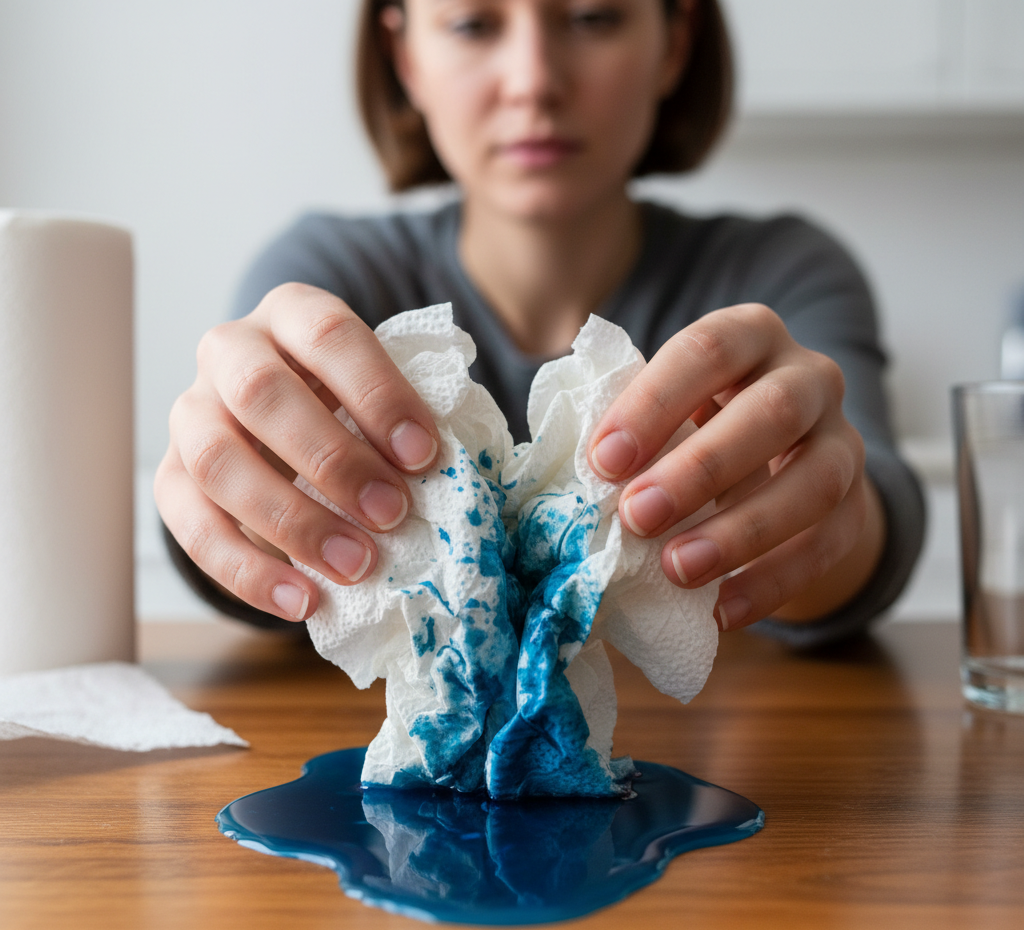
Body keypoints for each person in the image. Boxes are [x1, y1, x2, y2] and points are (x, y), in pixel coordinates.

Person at [156, 0, 924, 647]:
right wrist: (240, 500)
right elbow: (243, 530)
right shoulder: (330, 283)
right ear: (406, 58)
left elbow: (871, 512)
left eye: (593, 17)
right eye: (472, 25)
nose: (534, 82)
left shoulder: (781, 273)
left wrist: (824, 511)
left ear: (674, 42)